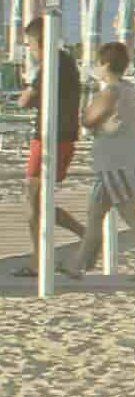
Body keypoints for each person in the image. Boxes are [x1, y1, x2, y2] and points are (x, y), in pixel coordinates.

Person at [71, 41, 135, 280]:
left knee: (129, 215)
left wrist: (87, 113)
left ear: (106, 64)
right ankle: (78, 264)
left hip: (115, 165)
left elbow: (88, 120)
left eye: (98, 63)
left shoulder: (112, 91)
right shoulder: (128, 89)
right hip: (118, 163)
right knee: (96, 214)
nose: (96, 68)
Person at [14, 14, 85, 265]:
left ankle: (38, 260)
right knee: (40, 201)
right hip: (62, 135)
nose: (30, 50)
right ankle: (84, 236)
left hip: (49, 136)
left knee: (34, 200)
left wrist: (26, 93)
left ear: (38, 42)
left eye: (30, 45)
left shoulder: (51, 64)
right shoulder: (65, 62)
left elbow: (25, 100)